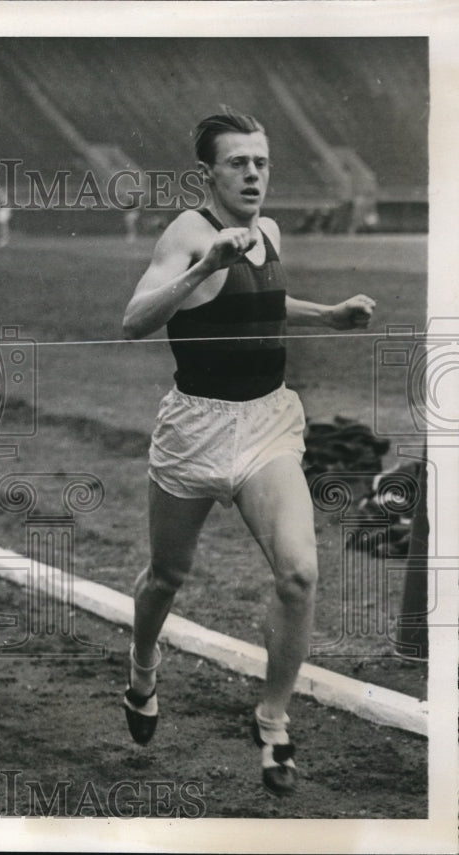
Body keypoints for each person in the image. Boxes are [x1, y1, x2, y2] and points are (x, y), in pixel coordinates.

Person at [120, 110, 376, 796]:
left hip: (267, 422)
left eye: (261, 162)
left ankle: (272, 721)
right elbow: (133, 322)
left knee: (299, 573)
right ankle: (143, 668)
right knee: (166, 576)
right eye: (239, 163)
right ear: (209, 174)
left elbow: (260, 299)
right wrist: (205, 263)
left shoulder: (270, 230)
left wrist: (328, 315)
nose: (254, 174)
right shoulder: (185, 233)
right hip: (195, 429)